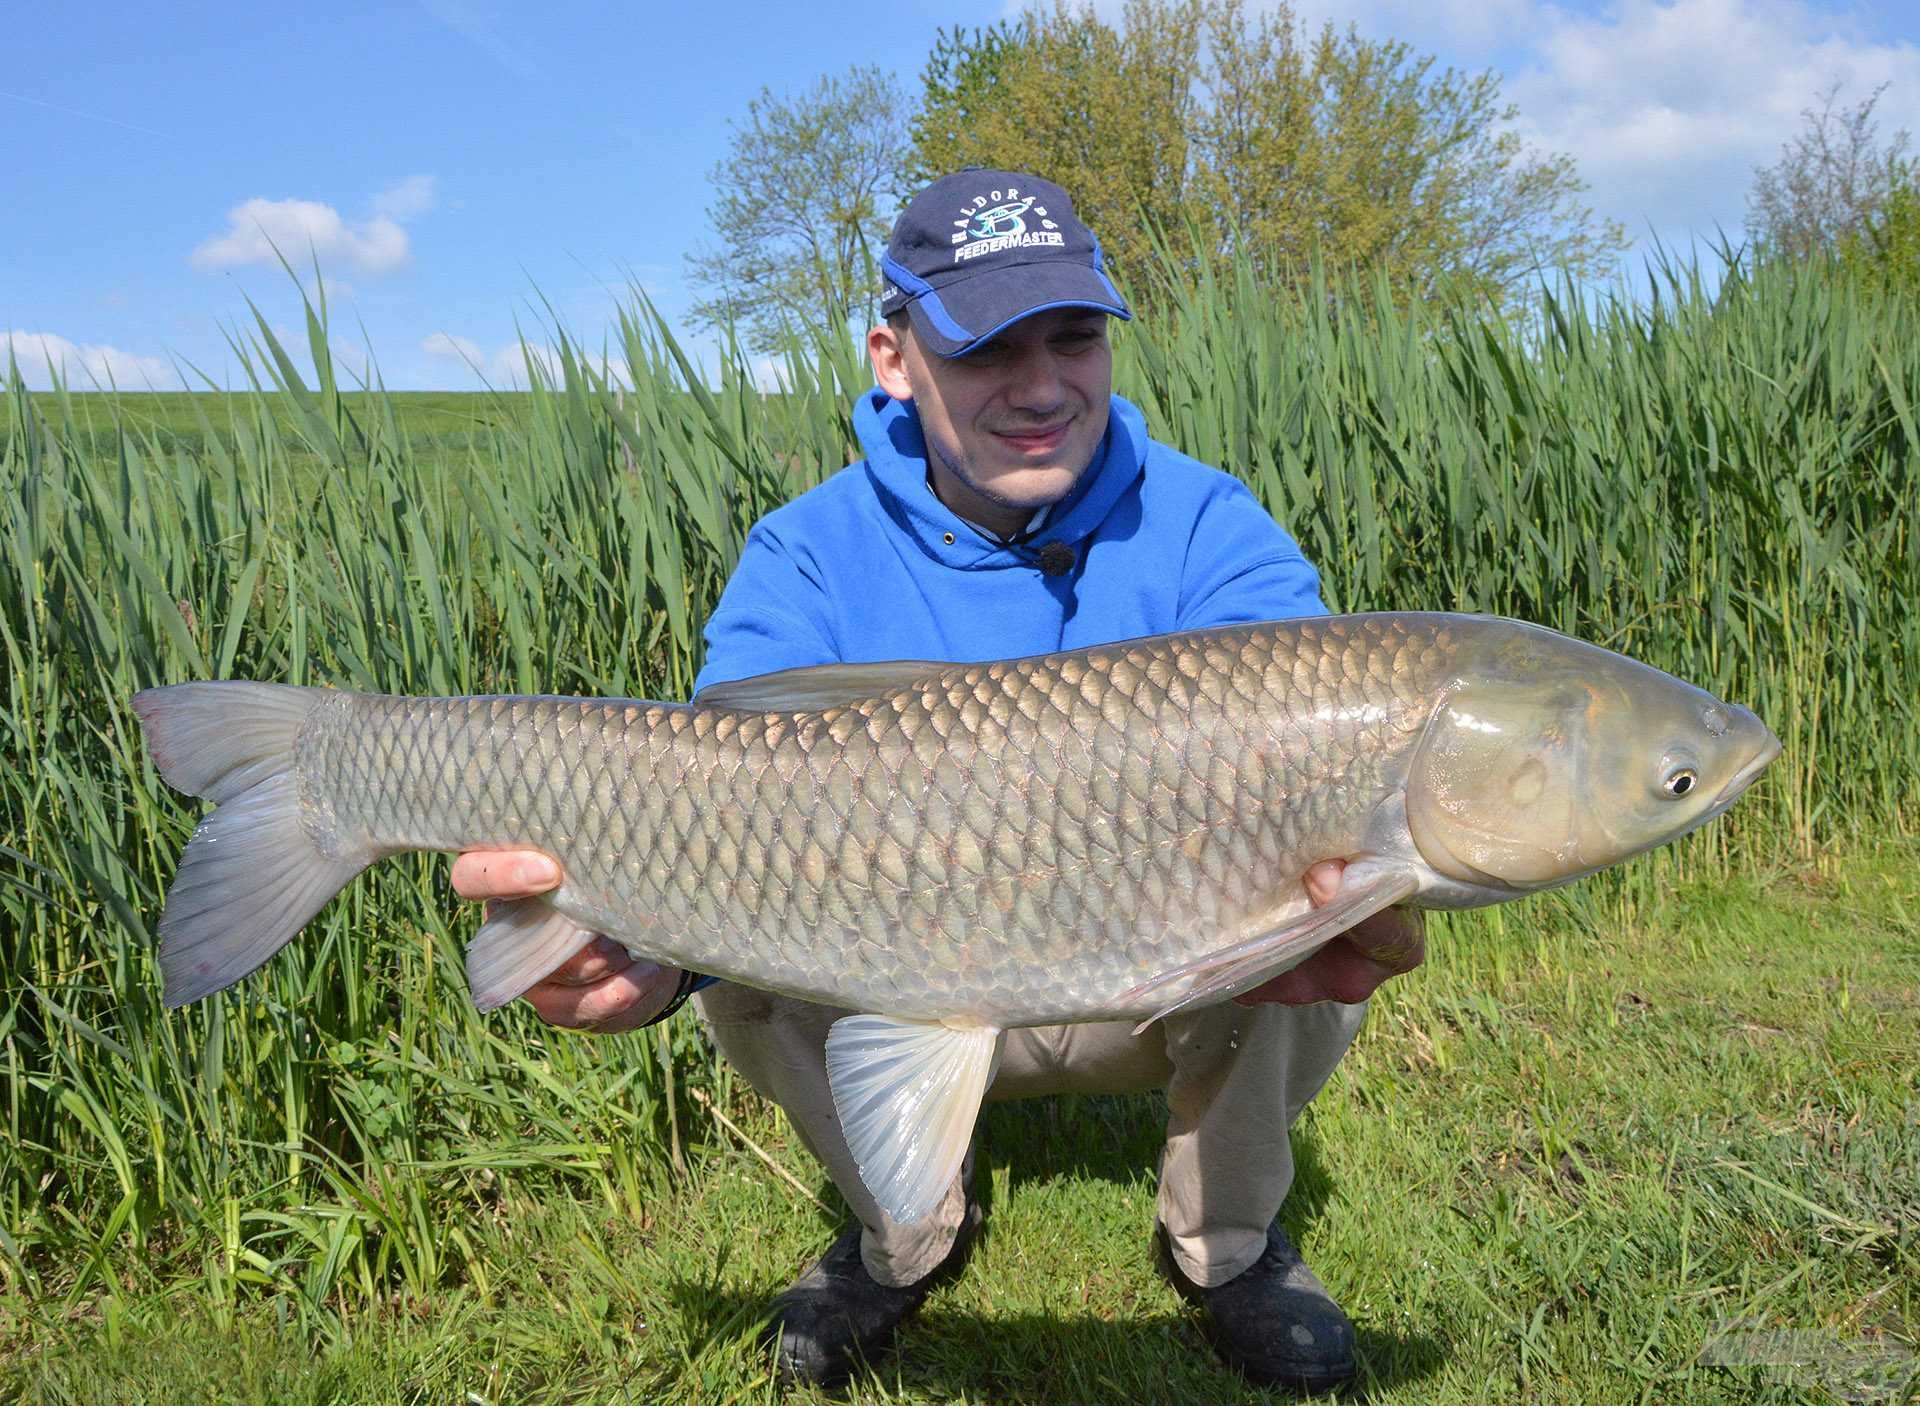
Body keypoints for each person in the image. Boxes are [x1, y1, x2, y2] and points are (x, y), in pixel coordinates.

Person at [451, 170, 1424, 1393]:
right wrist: (641, 957)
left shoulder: (1204, 526)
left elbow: (1317, 761)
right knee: (737, 973)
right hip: (903, 964)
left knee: (1331, 894)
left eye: (1072, 339)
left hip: (1156, 967)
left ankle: (1226, 1246)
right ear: (893, 356)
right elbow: (720, 816)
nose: (1040, 386)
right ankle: (905, 1233)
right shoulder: (806, 553)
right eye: (984, 349)